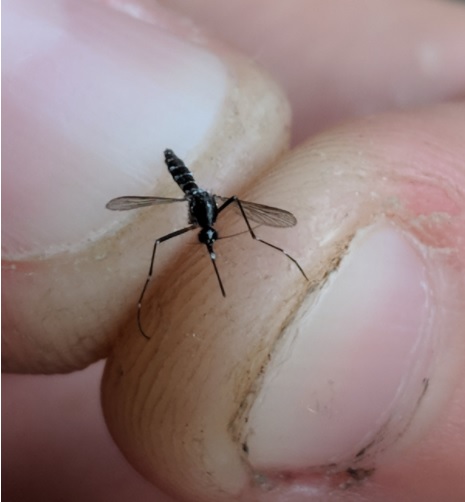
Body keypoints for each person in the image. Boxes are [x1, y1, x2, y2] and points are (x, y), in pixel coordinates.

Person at [3, 0, 465, 500]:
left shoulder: (219, 213)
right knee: (159, 239)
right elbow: (158, 220)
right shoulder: (191, 208)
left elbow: (247, 214)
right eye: (208, 237)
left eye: (210, 237)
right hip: (177, 172)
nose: (209, 241)